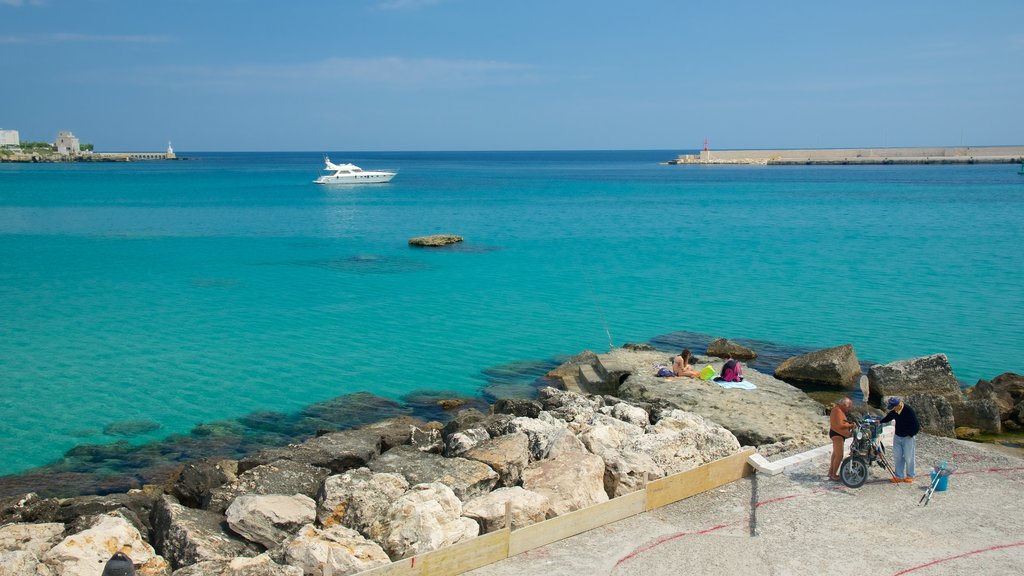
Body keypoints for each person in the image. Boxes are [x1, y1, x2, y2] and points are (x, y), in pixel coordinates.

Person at [880, 396, 919, 483]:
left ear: (898, 405)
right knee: (898, 456)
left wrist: (911, 434)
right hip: (898, 436)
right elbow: (889, 417)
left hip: (908, 437)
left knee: (909, 457)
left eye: (893, 407)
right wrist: (880, 421)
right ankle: (899, 476)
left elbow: (916, 425)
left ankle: (910, 475)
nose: (893, 409)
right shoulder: (895, 411)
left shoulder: (908, 410)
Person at [828, 397, 856, 481]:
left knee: (835, 454)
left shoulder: (837, 410)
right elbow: (840, 425)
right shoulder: (838, 410)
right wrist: (851, 425)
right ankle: (833, 475)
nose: (849, 408)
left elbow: (840, 422)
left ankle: (830, 472)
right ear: (845, 405)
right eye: (849, 406)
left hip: (836, 433)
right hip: (837, 435)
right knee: (839, 456)